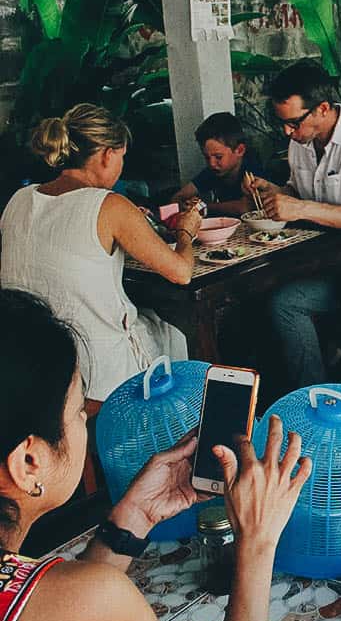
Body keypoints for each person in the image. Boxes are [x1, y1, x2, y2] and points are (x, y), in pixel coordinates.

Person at [0, 288, 311, 621]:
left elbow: (66, 614)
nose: (85, 419)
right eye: (77, 411)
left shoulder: (66, 602)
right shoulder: (97, 600)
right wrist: (257, 542)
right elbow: (82, 606)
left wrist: (134, 517)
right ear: (29, 462)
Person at [0, 104, 197, 402]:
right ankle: (181, 429)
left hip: (30, 357)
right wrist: (186, 231)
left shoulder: (19, 199)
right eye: (122, 157)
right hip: (96, 369)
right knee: (175, 332)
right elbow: (181, 273)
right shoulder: (109, 204)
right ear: (108, 154)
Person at [247, 61, 341, 386]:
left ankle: (313, 400)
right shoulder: (300, 142)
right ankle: (280, 384)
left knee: (286, 305)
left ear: (323, 109)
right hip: (313, 253)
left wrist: (299, 207)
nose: (287, 131)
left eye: (293, 122)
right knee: (252, 287)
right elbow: (296, 193)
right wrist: (274, 192)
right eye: (282, 123)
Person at [170, 112, 264, 217]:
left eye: (218, 157)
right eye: (206, 157)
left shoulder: (253, 168)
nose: (212, 163)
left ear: (240, 150)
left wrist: (203, 207)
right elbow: (179, 196)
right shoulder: (215, 171)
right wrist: (182, 204)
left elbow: (245, 207)